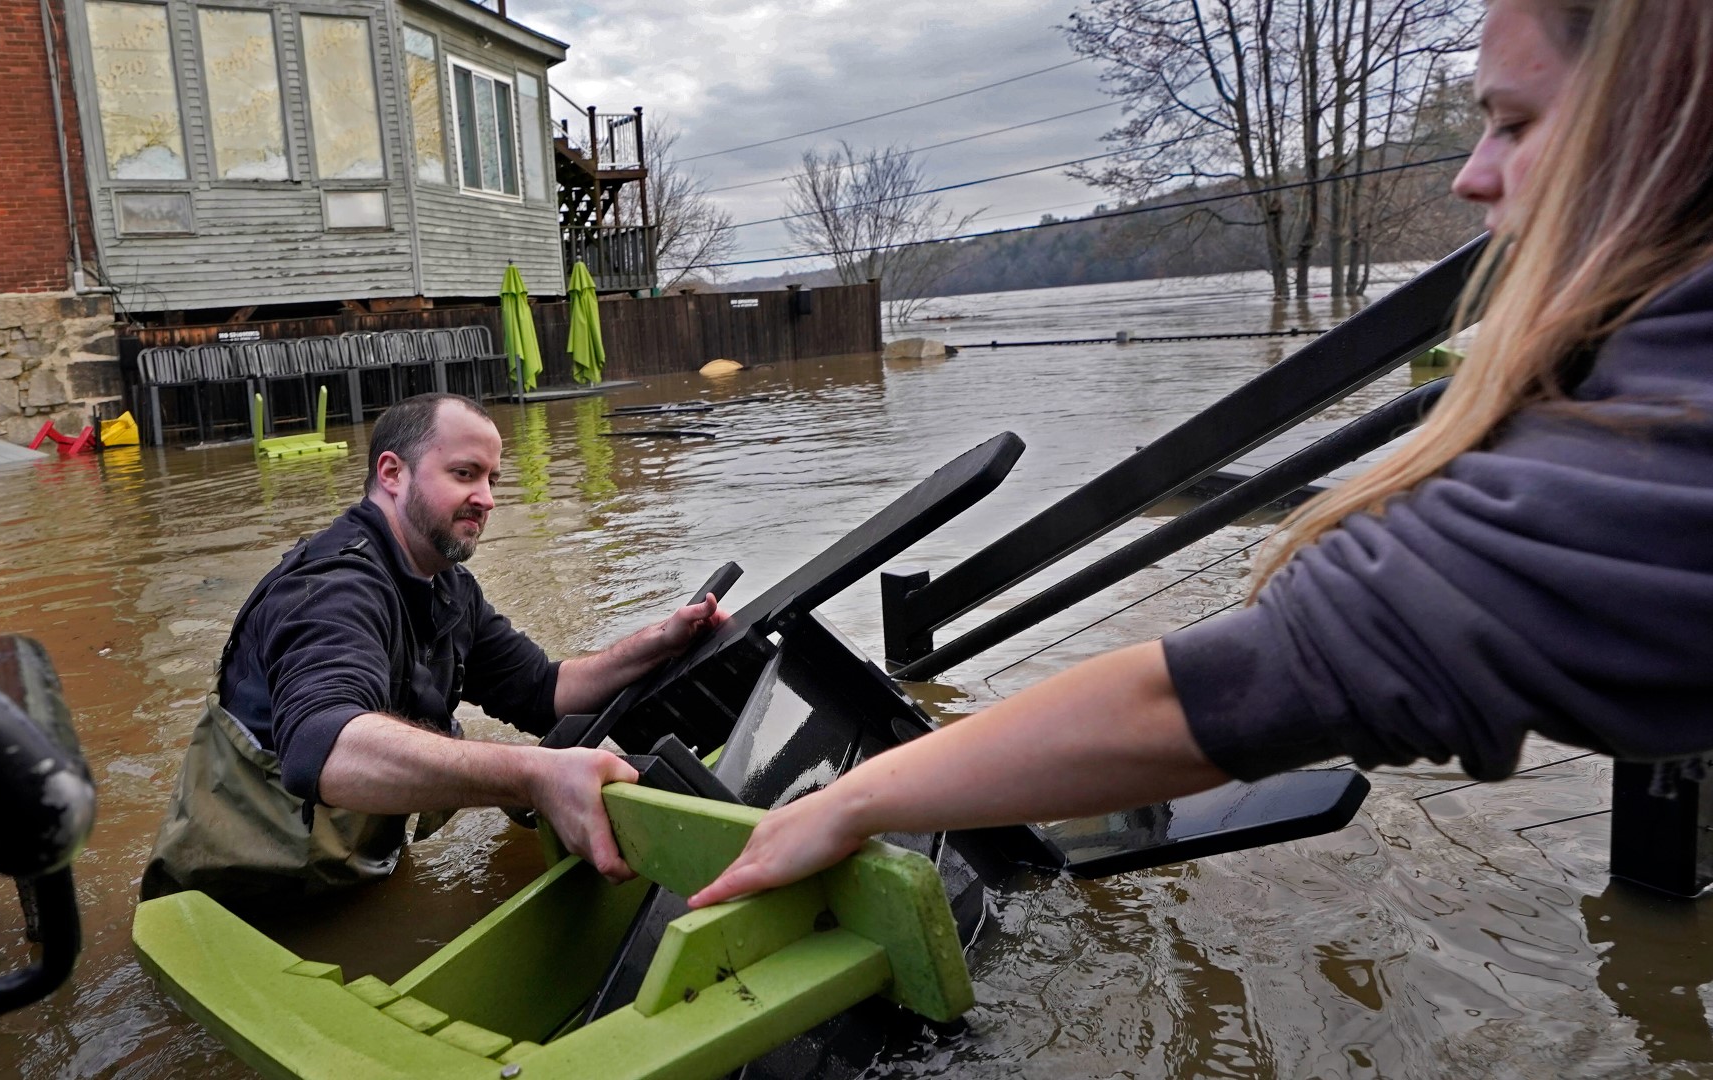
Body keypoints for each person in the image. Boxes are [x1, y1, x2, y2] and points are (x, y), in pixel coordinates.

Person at [691, 0, 1713, 909]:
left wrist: (853, 801)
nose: (1470, 173)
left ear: (1673, 119)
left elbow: (1222, 695)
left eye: (1517, 122)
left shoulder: (1661, 462)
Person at [143, 393, 725, 903]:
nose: (488, 498)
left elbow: (543, 690)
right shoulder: (330, 590)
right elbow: (321, 748)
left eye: (493, 479)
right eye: (465, 473)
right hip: (242, 901)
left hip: (343, 868)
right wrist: (532, 775)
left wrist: (660, 643)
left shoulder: (446, 586)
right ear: (392, 473)